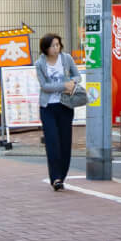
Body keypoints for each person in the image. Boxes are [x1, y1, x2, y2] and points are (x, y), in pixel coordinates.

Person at [33, 34, 79, 191]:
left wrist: (72, 82)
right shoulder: (40, 63)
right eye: (52, 46)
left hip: (65, 105)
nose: (56, 48)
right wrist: (64, 86)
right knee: (52, 142)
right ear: (45, 48)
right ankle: (55, 178)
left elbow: (77, 75)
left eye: (58, 45)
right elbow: (44, 86)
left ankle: (62, 176)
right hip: (48, 107)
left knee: (65, 143)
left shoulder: (66, 59)